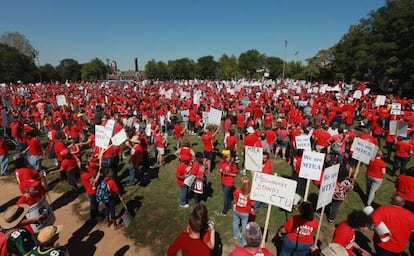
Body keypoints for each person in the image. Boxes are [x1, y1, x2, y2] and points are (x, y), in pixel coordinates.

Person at [233, 176, 254, 246]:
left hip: (237, 210)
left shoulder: (238, 190)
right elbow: (252, 203)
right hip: (245, 213)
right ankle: (243, 242)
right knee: (244, 226)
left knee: (235, 222)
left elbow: (235, 195)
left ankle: (235, 235)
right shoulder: (250, 195)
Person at [219, 150, 238, 216]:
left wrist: (228, 173)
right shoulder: (222, 163)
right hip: (223, 181)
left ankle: (224, 211)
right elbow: (220, 169)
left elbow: (235, 174)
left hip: (229, 183)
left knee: (225, 197)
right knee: (228, 195)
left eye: (229, 157)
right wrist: (221, 171)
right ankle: (229, 206)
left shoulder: (233, 165)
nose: (228, 158)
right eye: (226, 157)